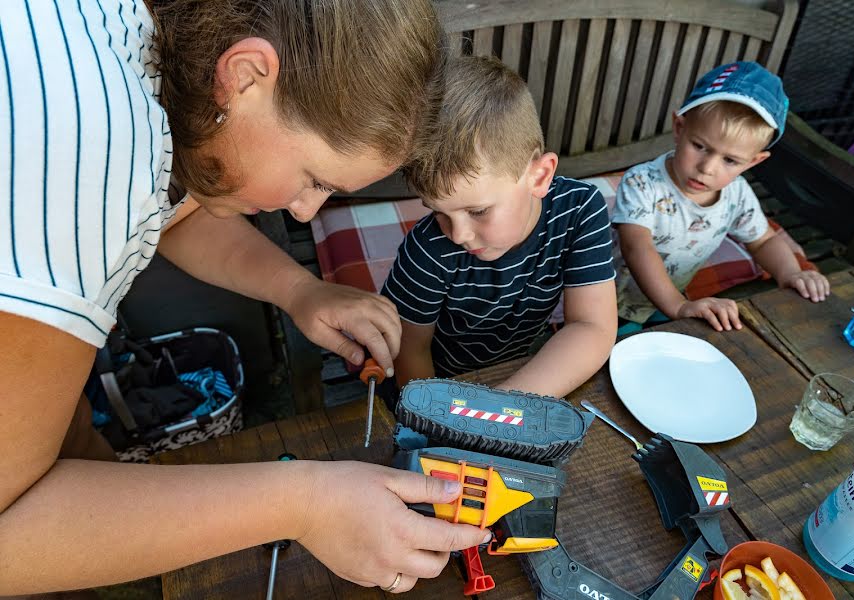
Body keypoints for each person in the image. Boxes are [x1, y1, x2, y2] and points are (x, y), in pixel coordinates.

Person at [0, 1, 491, 596]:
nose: (307, 210)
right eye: (315, 178)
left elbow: (166, 210)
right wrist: (303, 504)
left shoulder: (162, 47)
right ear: (246, 75)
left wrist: (299, 289)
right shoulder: (86, 153)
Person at [381, 56, 618, 399]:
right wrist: (446, 413)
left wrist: (500, 405)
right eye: (438, 211)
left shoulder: (579, 210)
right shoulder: (427, 251)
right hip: (441, 384)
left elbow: (592, 327)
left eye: (478, 210)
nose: (458, 233)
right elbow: (410, 351)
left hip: (522, 370)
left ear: (539, 176)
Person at [613, 62, 831, 332]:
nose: (707, 168)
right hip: (615, 299)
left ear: (753, 161)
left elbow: (764, 241)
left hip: (674, 298)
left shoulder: (736, 193)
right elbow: (637, 247)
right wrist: (677, 306)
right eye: (700, 146)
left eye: (730, 160)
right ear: (679, 127)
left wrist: (791, 273)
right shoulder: (642, 183)